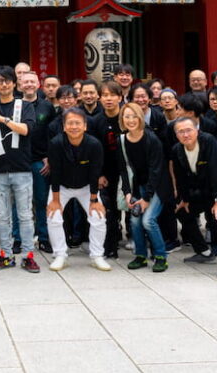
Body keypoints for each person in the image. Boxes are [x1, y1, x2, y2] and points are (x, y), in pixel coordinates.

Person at [170, 117, 217, 279]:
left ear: (197, 130)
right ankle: (204, 252)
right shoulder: (177, 150)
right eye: (181, 132)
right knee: (182, 212)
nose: (185, 134)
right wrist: (185, 199)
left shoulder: (208, 141)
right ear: (176, 135)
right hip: (205, 190)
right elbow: (181, 177)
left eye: (189, 130)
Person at [0, 67, 40, 273]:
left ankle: (28, 256)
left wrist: (2, 119)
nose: (4, 84)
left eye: (7, 80)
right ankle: (6, 255)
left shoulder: (25, 106)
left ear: (14, 84)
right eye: (0, 81)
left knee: (25, 215)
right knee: (2, 216)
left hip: (22, 169)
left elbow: (26, 130)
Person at [45, 108, 112, 271]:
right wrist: (55, 200)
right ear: (64, 126)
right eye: (70, 123)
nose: (74, 126)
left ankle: (97, 256)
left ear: (85, 126)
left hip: (87, 187)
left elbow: (95, 173)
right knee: (54, 216)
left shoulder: (94, 144)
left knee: (98, 216)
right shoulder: (56, 143)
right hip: (61, 186)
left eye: (77, 123)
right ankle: (60, 255)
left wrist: (94, 199)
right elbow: (55, 173)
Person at [119, 102, 168, 272]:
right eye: (127, 116)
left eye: (134, 116)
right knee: (134, 220)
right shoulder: (122, 140)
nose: (131, 120)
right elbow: (124, 169)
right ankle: (140, 256)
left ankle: (161, 256)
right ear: (122, 119)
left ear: (140, 117)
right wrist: (127, 193)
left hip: (157, 186)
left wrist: (146, 198)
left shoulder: (151, 139)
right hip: (137, 185)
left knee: (148, 220)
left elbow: (156, 171)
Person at [91, 81, 126, 259]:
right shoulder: (96, 121)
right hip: (107, 172)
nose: (109, 99)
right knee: (109, 209)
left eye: (112, 95)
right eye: (105, 95)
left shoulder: (127, 117)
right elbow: (93, 151)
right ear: (100, 98)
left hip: (128, 170)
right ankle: (110, 246)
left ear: (120, 97)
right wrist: (99, 174)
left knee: (133, 208)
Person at [19, 70, 54, 253]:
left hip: (40, 161)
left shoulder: (47, 107)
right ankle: (18, 238)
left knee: (41, 200)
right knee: (19, 202)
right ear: (20, 85)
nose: (29, 85)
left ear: (38, 85)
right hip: (19, 162)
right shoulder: (15, 105)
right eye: (26, 82)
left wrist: (49, 157)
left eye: (32, 81)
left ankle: (43, 237)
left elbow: (52, 133)